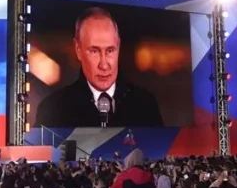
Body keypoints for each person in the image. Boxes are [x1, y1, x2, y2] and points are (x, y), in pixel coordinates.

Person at [34, 7, 163, 127]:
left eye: (110, 51)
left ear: (118, 47)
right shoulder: (52, 109)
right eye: (94, 51)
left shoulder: (145, 105)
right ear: (78, 49)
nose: (104, 65)